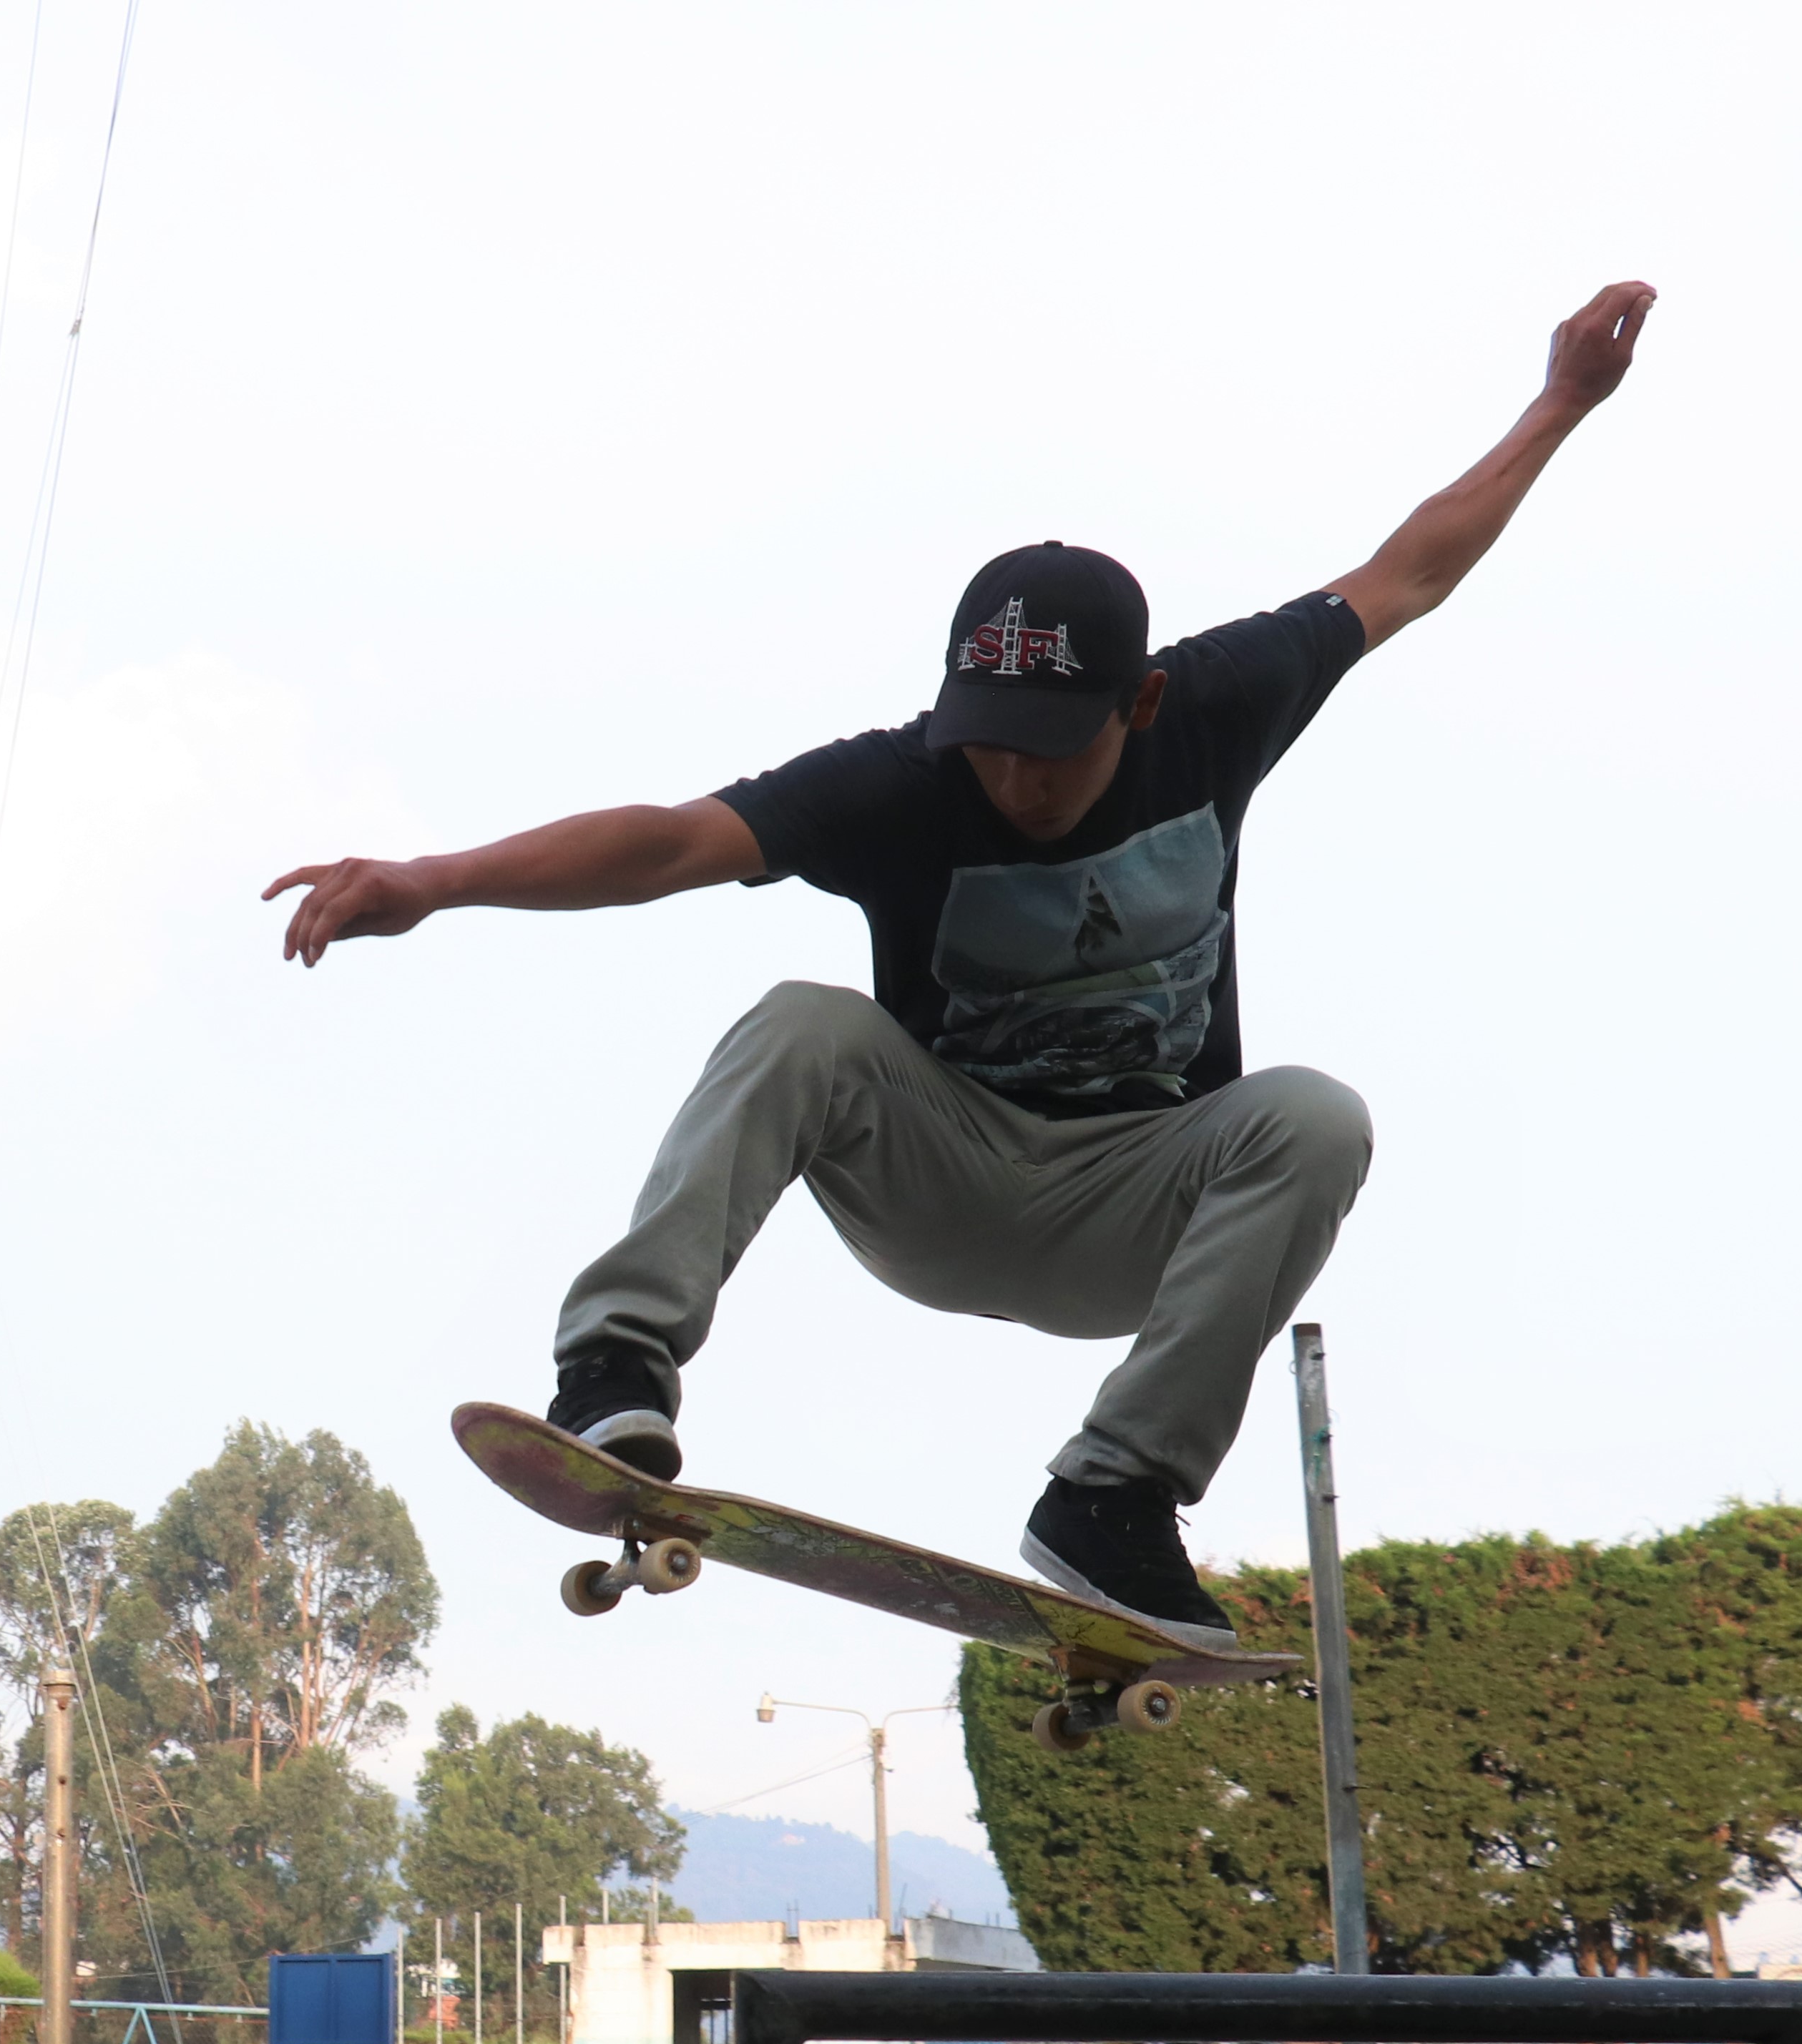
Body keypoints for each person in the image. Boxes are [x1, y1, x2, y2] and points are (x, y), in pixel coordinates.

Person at [268, 282, 1657, 1649]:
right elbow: (668, 841)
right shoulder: (902, 784)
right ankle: (616, 1366)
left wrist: (1557, 405)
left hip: (1138, 1201)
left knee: (1316, 1114)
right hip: (940, 1180)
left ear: (1142, 702)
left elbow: (1405, 572)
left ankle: (1114, 1497)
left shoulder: (1221, 703)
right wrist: (435, 883)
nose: (1011, 779)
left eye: (1050, 750)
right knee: (803, 1022)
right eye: (985, 739)